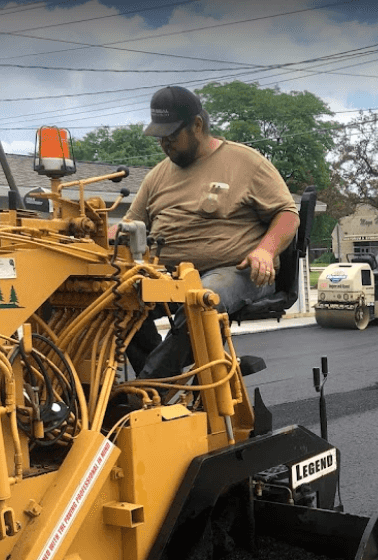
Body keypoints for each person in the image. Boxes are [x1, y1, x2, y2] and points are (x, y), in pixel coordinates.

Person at [123, 85, 299, 379]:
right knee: (116, 299)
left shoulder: (246, 162)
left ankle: (150, 387)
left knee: (201, 299)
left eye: (171, 136)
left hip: (236, 272)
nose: (165, 144)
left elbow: (287, 215)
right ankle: (156, 385)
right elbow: (131, 226)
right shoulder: (157, 176)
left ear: (197, 125)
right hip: (168, 276)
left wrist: (265, 250)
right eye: (160, 138)